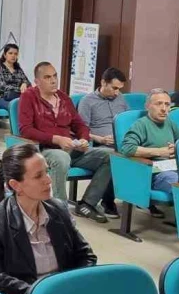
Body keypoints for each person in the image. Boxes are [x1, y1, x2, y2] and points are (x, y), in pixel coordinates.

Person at [0, 144, 97, 294]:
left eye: (47, 172)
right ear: (16, 186)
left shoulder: (58, 210)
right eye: (38, 176)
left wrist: (72, 287)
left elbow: (86, 256)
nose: (48, 180)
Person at [18, 62, 113, 222]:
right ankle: (59, 211)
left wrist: (83, 138)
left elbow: (79, 124)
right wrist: (55, 139)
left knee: (110, 156)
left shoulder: (63, 97)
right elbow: (25, 129)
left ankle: (87, 203)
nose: (53, 80)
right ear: (37, 81)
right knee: (61, 158)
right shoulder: (28, 97)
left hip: (70, 147)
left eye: (55, 76)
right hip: (44, 150)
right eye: (47, 77)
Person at [120, 88, 179, 218]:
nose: (164, 109)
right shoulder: (141, 125)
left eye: (167, 104)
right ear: (148, 106)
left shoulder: (169, 123)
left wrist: (177, 148)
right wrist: (159, 152)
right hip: (154, 172)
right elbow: (127, 148)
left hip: (174, 167)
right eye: (159, 104)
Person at [78, 67, 129, 147]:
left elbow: (128, 121)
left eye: (119, 89)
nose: (117, 93)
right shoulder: (87, 101)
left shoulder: (120, 97)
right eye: (114, 88)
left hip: (124, 142)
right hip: (103, 145)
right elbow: (80, 131)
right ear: (103, 83)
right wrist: (101, 139)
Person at [0, 43, 30, 110]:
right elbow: (1, 86)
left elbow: (28, 83)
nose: (13, 56)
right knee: (18, 107)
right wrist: (20, 89)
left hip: (16, 96)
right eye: (10, 53)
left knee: (32, 105)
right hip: (1, 97)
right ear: (5, 55)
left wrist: (24, 83)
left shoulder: (18, 69)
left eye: (15, 54)